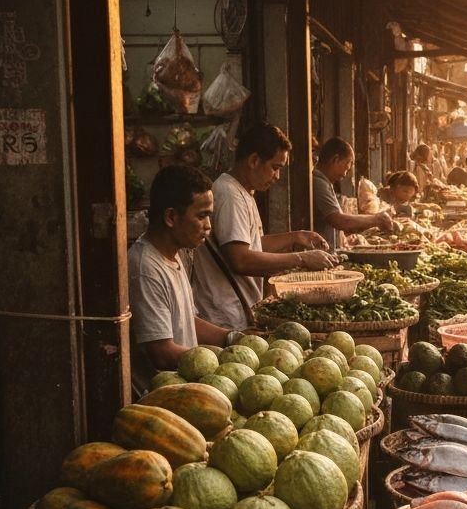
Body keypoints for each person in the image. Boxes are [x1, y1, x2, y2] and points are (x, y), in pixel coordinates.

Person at [192, 124, 336, 330]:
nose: (277, 176)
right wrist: (302, 259)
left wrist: (296, 237)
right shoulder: (229, 195)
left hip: (237, 312)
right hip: (225, 317)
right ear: (253, 160)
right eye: (275, 167)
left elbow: (251, 245)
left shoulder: (243, 192)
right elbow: (240, 259)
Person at [129, 165, 240, 393]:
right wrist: (225, 361)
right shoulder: (145, 268)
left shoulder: (178, 254)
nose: (208, 226)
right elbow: (162, 351)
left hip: (190, 387)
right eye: (202, 216)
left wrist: (233, 340)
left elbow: (186, 320)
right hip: (167, 397)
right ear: (171, 216)